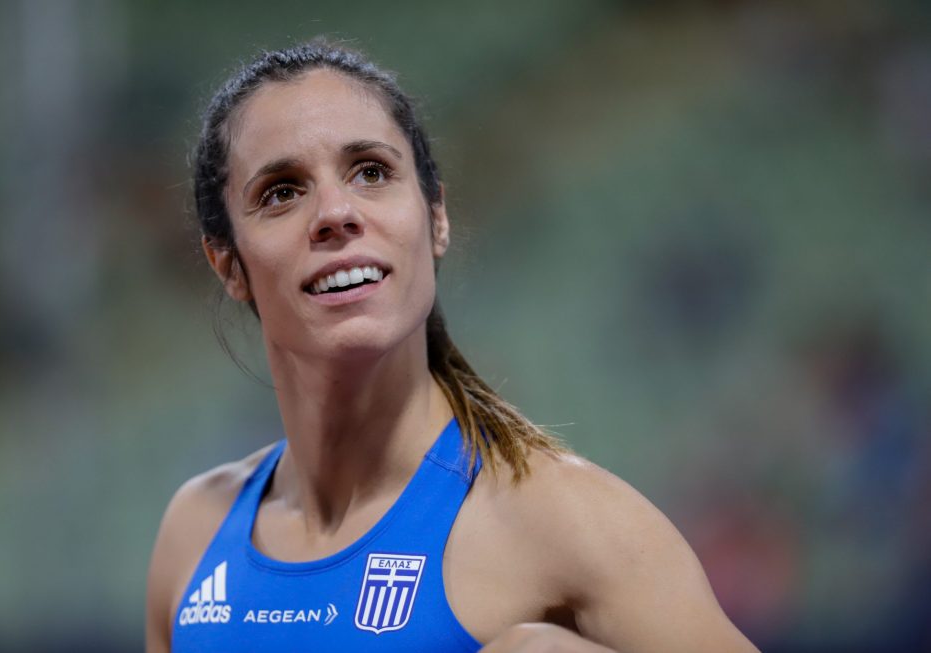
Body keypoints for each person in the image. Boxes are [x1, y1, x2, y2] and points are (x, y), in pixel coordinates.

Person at [145, 39, 760, 653]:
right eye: (281, 191)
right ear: (227, 265)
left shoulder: (566, 522)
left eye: (370, 172)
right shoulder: (195, 531)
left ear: (435, 217)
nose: (335, 211)